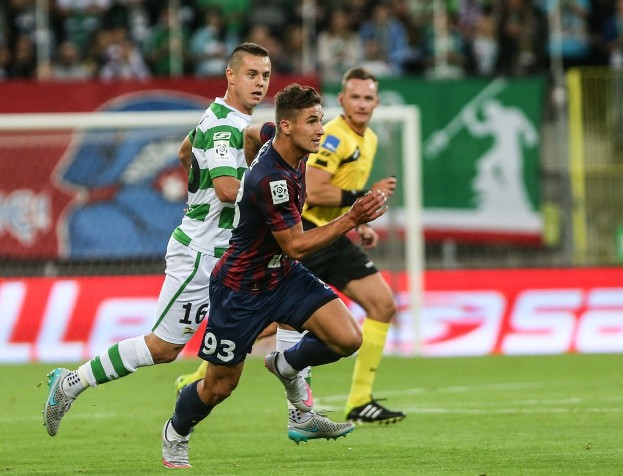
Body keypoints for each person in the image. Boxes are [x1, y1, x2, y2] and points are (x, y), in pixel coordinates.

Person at [41, 42, 273, 437]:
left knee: (285, 316)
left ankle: (300, 410)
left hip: (229, 253)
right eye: (251, 74)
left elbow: (186, 152)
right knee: (163, 348)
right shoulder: (222, 126)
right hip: (201, 256)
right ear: (230, 75)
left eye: (265, 76)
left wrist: (196, 189)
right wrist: (270, 190)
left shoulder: (220, 119)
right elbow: (225, 189)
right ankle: (71, 382)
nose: (260, 83)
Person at [161, 84, 389, 468]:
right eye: (312, 121)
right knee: (219, 386)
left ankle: (285, 363)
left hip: (282, 276)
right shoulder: (272, 180)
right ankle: (176, 432)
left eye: (321, 118)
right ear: (287, 126)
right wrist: (353, 218)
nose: (322, 129)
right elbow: (297, 245)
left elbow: (255, 133)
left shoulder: (281, 142)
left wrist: (250, 150)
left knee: (348, 338)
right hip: (241, 287)